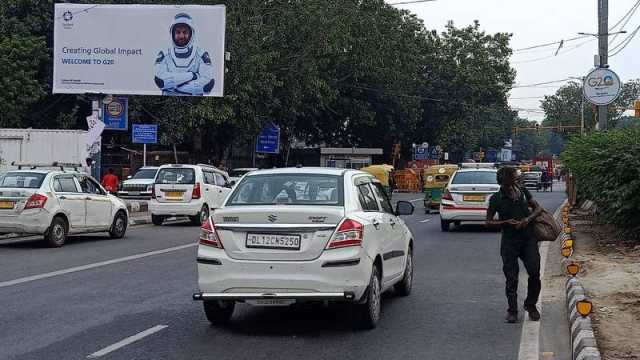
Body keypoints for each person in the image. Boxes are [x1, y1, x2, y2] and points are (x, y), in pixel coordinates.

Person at [486, 167, 543, 324]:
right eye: (513, 176)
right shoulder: (496, 198)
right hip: (509, 242)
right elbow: (488, 221)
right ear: (505, 180)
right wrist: (505, 222)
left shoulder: (523, 192)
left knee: (534, 272)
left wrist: (527, 219)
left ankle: (530, 305)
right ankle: (512, 310)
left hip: (528, 239)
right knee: (511, 277)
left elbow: (538, 208)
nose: (516, 178)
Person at [154, 13, 215, 96]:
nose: (181, 36)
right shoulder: (164, 54)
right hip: (167, 103)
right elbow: (161, 81)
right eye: (178, 32)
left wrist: (172, 86)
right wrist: (192, 75)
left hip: (194, 105)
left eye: (185, 32)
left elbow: (207, 85)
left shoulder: (201, 54)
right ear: (172, 34)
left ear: (191, 34)